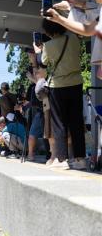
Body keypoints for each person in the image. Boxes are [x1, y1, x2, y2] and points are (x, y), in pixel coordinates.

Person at [34, 19, 86, 170]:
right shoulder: (74, 38)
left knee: (59, 123)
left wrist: (39, 53)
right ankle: (80, 159)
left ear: (48, 31)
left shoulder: (48, 46)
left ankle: (62, 159)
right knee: (76, 121)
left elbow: (43, 69)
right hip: (76, 83)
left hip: (58, 87)